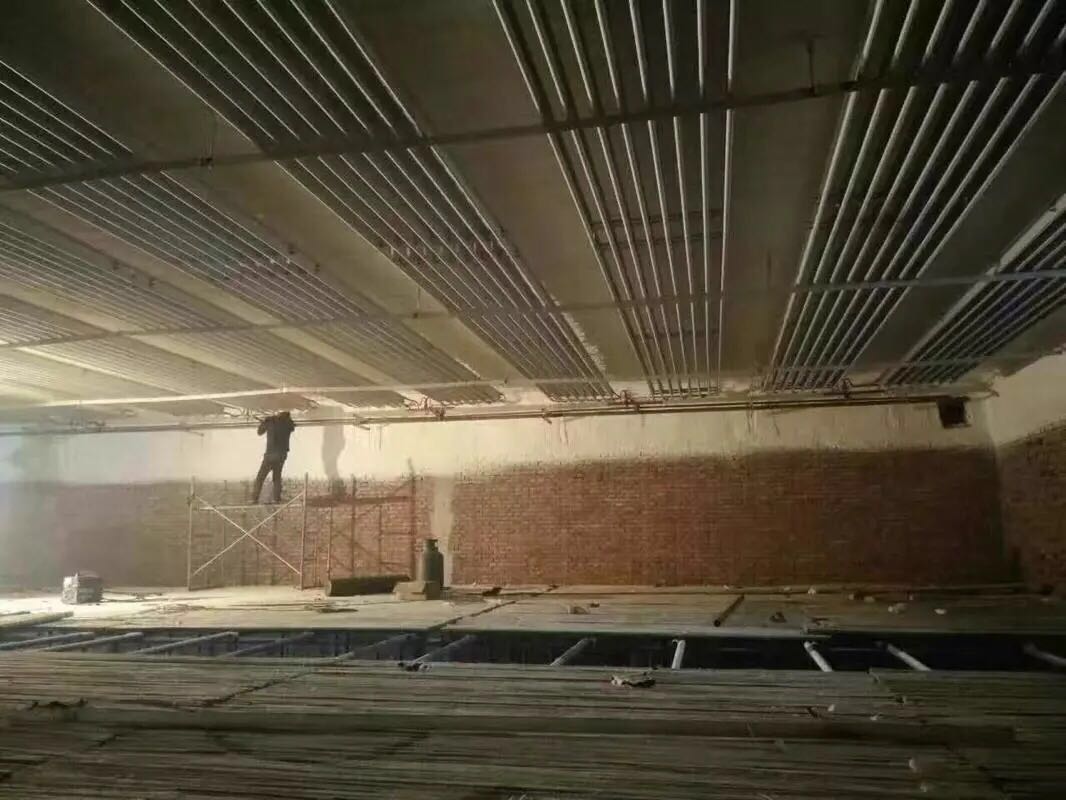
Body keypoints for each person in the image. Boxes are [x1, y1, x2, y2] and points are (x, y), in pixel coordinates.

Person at [252, 411, 295, 503]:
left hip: (270, 455)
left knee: (260, 478)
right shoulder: (288, 424)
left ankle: (254, 499)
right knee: (276, 478)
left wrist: (264, 422)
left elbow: (259, 432)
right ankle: (276, 499)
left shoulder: (270, 421)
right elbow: (292, 427)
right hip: (281, 455)